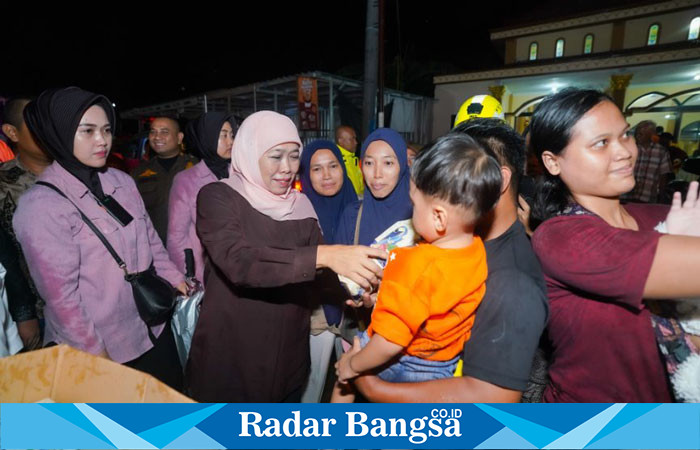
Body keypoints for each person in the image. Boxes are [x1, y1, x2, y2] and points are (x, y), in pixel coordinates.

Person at [186, 111, 387, 402]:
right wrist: (325, 255)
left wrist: (356, 292)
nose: (287, 168)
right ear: (250, 152)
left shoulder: (301, 205)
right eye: (276, 156)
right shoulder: (218, 197)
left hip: (288, 355)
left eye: (294, 156)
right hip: (232, 354)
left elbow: (320, 277)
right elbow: (240, 262)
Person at [353, 118, 548, 402]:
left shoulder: (513, 283)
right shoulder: (462, 242)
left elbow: (491, 397)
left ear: (499, 180)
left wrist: (372, 387)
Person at [528, 88, 700, 402]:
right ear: (553, 162)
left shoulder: (659, 215)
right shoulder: (562, 237)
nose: (624, 151)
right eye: (601, 143)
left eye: (625, 135)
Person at [13, 87, 186, 389]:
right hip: (101, 346)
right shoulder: (41, 207)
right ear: (59, 134)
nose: (102, 140)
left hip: (153, 327)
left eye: (106, 130)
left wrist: (174, 277)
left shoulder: (120, 181)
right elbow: (62, 301)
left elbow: (149, 238)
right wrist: (97, 357)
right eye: (88, 131)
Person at [334, 133, 502, 402]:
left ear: (438, 217)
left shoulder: (413, 264)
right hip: (441, 367)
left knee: (345, 377)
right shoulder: (477, 250)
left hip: (402, 362)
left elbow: (390, 341)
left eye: (414, 205)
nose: (410, 213)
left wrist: (351, 366)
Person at [298, 139, 358, 402]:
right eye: (317, 169)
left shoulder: (358, 207)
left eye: (333, 166)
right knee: (312, 384)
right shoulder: (297, 211)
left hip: (352, 309)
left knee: (350, 383)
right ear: (306, 175)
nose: (327, 176)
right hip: (316, 310)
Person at [0, 98, 53, 350]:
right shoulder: (2, 183)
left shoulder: (77, 174)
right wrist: (24, 313)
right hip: (34, 315)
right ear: (12, 132)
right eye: (36, 123)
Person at [167, 112, 236, 280]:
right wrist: (189, 278)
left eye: (232, 135)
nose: (231, 141)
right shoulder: (186, 181)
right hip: (206, 274)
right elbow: (177, 237)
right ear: (208, 138)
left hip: (238, 268)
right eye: (223, 136)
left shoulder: (239, 174)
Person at [335, 128, 413, 247]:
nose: (377, 174)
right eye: (369, 163)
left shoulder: (420, 217)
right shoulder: (352, 216)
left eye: (388, 163)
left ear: (402, 165)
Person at [133, 117, 198, 244]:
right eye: (153, 132)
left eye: (164, 132)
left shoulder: (196, 168)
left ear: (179, 138)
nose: (157, 137)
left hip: (192, 248)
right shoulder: (138, 173)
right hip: (155, 249)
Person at [623, 120, 672, 203]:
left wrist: (661, 195)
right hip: (626, 196)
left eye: (641, 134)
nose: (637, 136)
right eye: (636, 133)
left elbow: (663, 176)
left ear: (650, 135)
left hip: (647, 196)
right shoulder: (629, 149)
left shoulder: (660, 151)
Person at [335, 125, 364, 196]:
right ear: (341, 141)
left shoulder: (353, 159)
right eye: (352, 139)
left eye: (355, 139)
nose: (356, 142)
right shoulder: (336, 160)